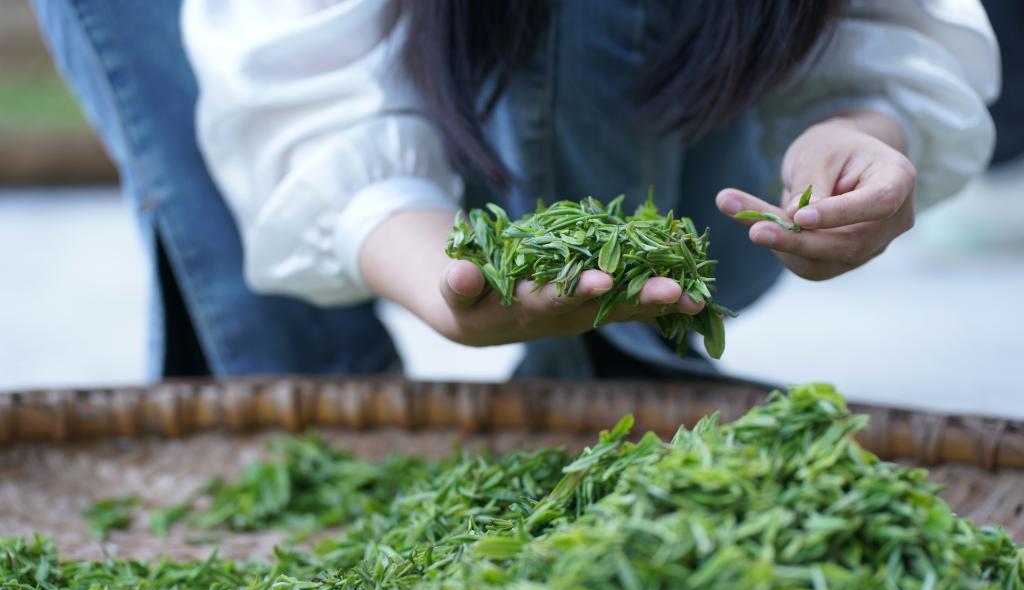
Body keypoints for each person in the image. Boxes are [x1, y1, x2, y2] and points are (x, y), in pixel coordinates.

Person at [37, 0, 999, 381]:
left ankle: (615, 375)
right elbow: (298, 80)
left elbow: (883, 29)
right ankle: (313, 400)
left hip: (701, 174)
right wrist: (436, 273)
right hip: (426, 104)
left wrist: (861, 128)